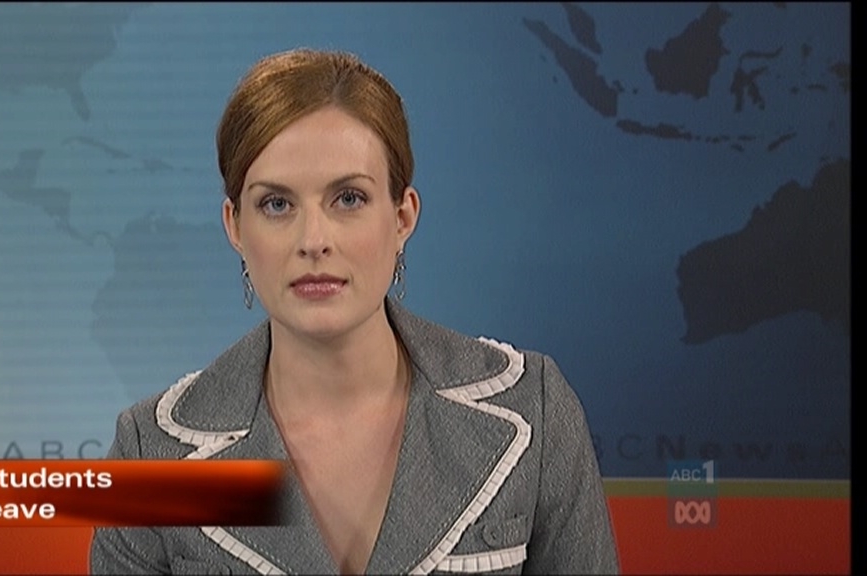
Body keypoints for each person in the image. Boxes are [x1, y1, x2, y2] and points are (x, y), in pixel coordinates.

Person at [91, 48, 619, 575]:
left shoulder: (534, 410)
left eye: (348, 198)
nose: (313, 240)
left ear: (402, 216)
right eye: (277, 204)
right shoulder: (150, 451)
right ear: (235, 226)